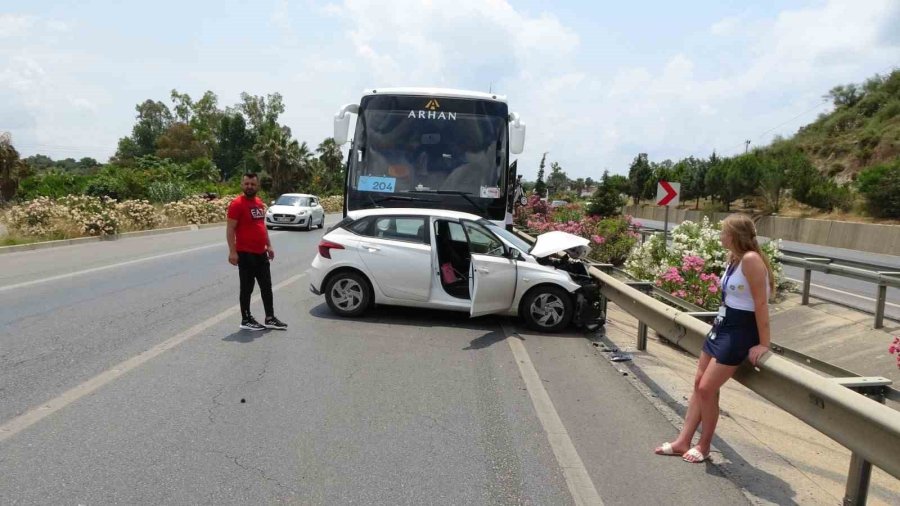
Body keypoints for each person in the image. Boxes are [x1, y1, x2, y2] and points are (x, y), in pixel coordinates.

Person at [654, 214, 773, 463]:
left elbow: (761, 304)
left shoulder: (751, 260)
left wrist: (764, 343)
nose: (721, 236)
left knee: (708, 388)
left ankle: (704, 445)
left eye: (724, 232)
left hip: (741, 329)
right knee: (698, 384)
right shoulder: (735, 259)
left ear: (735, 235)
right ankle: (682, 441)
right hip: (722, 324)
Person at [226, 173, 288, 331]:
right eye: (246, 184)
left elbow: (262, 226)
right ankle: (246, 319)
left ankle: (270, 318)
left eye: (252, 184)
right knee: (247, 288)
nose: (249, 187)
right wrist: (232, 252)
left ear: (257, 186)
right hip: (245, 253)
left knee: (266, 286)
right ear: (242, 185)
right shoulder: (237, 204)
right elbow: (230, 229)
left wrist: (269, 245)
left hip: (261, 252)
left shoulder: (259, 203)